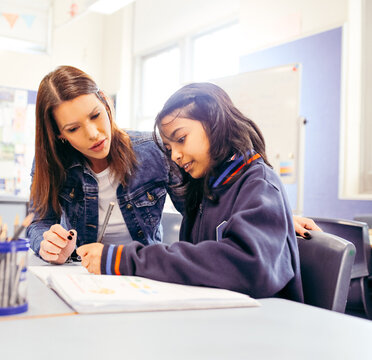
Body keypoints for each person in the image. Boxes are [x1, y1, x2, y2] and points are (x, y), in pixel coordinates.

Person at [27, 66, 319, 268]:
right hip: (82, 274)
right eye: (74, 128)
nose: (93, 133)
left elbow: (202, 205)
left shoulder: (153, 151)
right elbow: (39, 222)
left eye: (95, 116)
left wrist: (269, 216)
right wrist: (47, 244)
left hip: (140, 273)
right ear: (59, 134)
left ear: (106, 103)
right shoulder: (53, 165)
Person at [77, 82, 305, 301]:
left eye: (181, 139)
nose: (175, 155)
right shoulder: (203, 189)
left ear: (215, 123)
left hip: (262, 325)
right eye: (169, 148)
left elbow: (249, 267)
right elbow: (196, 265)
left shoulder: (259, 184)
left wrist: (122, 259)